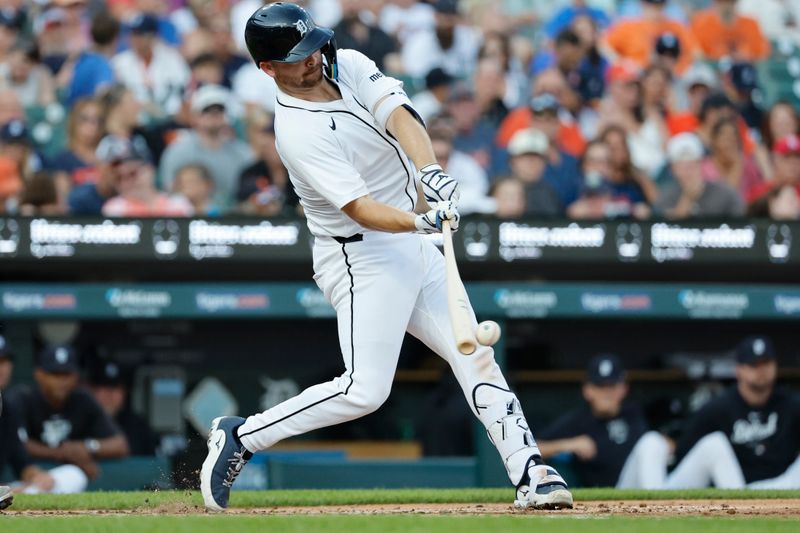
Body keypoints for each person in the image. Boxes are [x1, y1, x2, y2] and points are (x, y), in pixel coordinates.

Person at [201, 2, 573, 512]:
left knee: (474, 354)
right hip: (360, 257)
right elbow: (361, 209)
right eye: (298, 57)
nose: (313, 60)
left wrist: (431, 174)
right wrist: (421, 220)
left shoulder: (347, 62)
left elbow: (401, 116)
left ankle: (529, 470)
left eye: (313, 48)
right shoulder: (297, 131)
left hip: (409, 241)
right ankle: (242, 435)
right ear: (268, 69)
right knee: (364, 390)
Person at [6, 345, 129, 490]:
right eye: (55, 374)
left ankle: (29, 493)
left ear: (76, 376)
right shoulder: (22, 398)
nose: (62, 381)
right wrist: (64, 453)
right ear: (39, 374)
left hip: (60, 479)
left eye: (67, 374)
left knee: (74, 476)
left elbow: (121, 444)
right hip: (24, 474)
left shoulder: (83, 399)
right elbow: (17, 444)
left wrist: (87, 447)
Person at [537, 354, 650, 488]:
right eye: (600, 386)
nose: (606, 393)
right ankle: (657, 501)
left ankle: (659, 500)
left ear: (623, 389)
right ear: (587, 390)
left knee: (652, 442)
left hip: (647, 482)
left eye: (612, 386)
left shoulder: (635, 412)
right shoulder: (578, 420)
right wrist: (570, 444)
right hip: (615, 490)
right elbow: (536, 448)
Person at [159, 84, 254, 209]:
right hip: (190, 217)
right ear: (194, 116)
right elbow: (169, 191)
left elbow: (251, 193)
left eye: (220, 110)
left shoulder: (243, 152)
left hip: (235, 218)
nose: (214, 115)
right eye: (207, 110)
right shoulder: (177, 151)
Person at [655, 132, 745, 218]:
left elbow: (741, 223)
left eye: (693, 164)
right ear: (673, 169)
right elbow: (662, 228)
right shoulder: (665, 195)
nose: (688, 171)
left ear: (701, 164)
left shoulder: (725, 193)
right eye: (682, 166)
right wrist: (687, 200)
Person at [86, 359, 159, 457]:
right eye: (104, 388)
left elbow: (151, 466)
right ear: (92, 391)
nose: (109, 395)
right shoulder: (80, 422)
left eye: (115, 388)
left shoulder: (139, 427)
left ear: (125, 393)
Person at [506, 127, 563, 217]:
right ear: (512, 161)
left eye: (539, 158)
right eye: (526, 157)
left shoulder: (550, 194)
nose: (532, 164)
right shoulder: (500, 192)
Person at [690, 0, 770, 62]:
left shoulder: (751, 24)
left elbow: (762, 55)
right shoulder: (701, 24)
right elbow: (697, 54)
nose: (726, 6)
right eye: (722, 2)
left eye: (730, 2)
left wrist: (747, 58)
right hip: (715, 74)